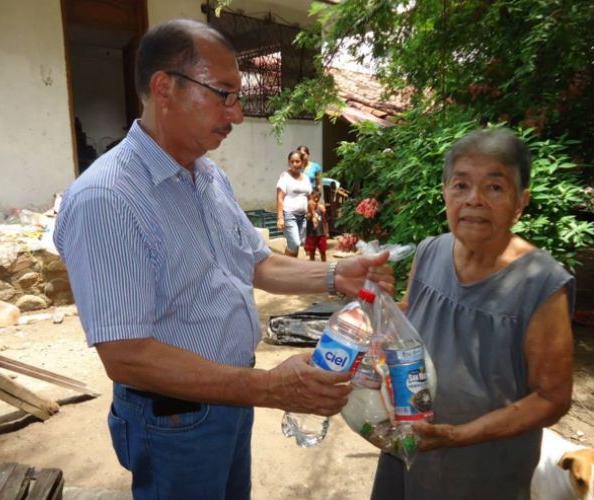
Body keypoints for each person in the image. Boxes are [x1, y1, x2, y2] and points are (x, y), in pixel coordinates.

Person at [54, 19, 394, 500]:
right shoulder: (107, 199)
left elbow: (255, 264)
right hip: (174, 418)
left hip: (230, 396)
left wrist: (338, 273)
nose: (236, 115)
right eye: (225, 95)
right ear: (164, 87)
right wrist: (270, 389)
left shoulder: (207, 176)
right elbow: (126, 356)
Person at [371, 128, 575, 500]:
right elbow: (412, 325)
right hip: (409, 445)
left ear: (521, 201)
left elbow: (552, 398)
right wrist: (380, 307)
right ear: (445, 192)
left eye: (494, 188)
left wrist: (459, 435)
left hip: (481, 469)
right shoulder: (431, 250)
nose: (474, 200)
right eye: (461, 185)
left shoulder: (542, 284)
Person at [276, 150, 312, 257]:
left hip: (303, 216)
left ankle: (289, 268)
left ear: (302, 163)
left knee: (297, 245)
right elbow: (280, 198)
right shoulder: (285, 177)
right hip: (289, 215)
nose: (295, 164)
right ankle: (283, 266)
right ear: (289, 163)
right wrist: (280, 218)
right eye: (292, 162)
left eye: (297, 161)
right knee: (295, 244)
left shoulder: (305, 178)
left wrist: (312, 213)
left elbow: (309, 197)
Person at [305, 188, 329, 261]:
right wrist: (311, 213)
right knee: (312, 253)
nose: (316, 199)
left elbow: (325, 221)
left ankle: (324, 267)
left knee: (323, 252)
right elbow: (307, 218)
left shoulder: (321, 208)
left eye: (317, 198)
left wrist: (327, 232)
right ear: (311, 196)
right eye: (314, 197)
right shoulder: (307, 208)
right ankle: (313, 268)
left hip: (321, 233)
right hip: (311, 234)